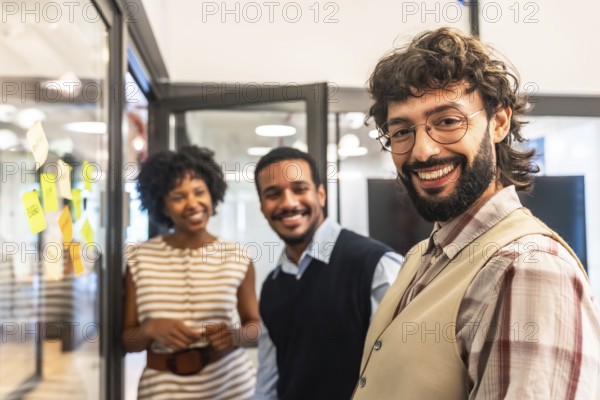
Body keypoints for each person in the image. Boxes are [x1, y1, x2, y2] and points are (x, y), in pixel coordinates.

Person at [351, 27, 600, 400]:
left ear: (498, 123)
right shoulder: (422, 256)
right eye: (402, 130)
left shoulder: (527, 267)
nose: (422, 151)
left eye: (448, 121)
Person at [251, 147, 403, 400]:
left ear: (320, 195)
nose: (288, 203)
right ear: (263, 208)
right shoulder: (273, 286)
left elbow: (403, 370)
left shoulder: (376, 266)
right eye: (273, 194)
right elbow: (269, 380)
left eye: (299, 189)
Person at [122, 145, 259, 399]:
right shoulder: (140, 259)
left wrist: (235, 335)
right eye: (178, 196)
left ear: (212, 194)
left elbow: (257, 330)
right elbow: (128, 341)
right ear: (163, 206)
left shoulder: (238, 256)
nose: (192, 204)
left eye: (199, 192)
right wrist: (150, 329)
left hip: (232, 387)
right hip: (162, 391)